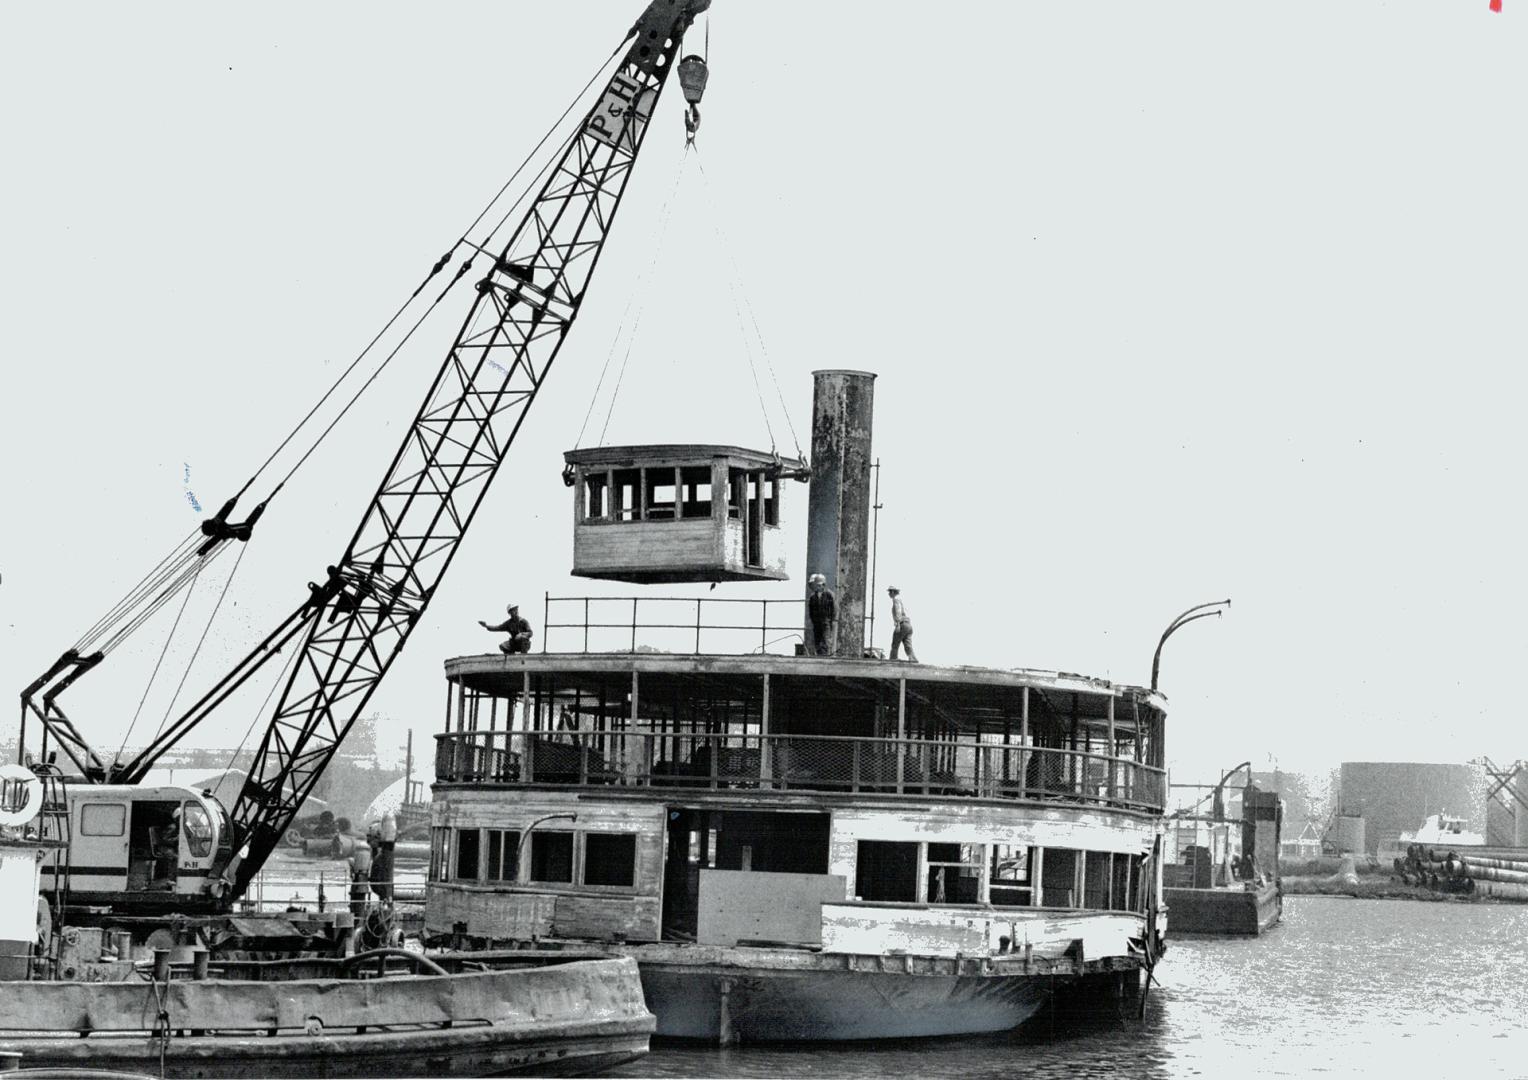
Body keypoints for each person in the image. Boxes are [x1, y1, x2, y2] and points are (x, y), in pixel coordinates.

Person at [807, 573, 836, 656]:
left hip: (826, 622)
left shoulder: (829, 595)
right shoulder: (813, 597)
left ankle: (825, 656)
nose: (818, 587)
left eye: (820, 585)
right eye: (817, 585)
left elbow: (834, 610)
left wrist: (831, 621)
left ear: (824, 585)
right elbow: (811, 611)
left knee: (826, 640)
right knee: (817, 640)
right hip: (816, 623)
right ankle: (819, 656)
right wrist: (814, 621)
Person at [887, 586, 918, 662]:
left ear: (893, 592)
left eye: (890, 592)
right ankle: (913, 659)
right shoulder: (902, 600)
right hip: (908, 625)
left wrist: (898, 624)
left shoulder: (896, 600)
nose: (889, 594)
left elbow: (898, 612)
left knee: (895, 644)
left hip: (902, 624)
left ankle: (892, 660)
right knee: (908, 644)